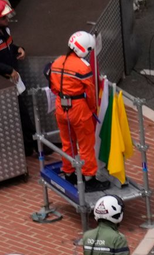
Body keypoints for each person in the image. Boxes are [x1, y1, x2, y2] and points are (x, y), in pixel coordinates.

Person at [50, 31, 107, 192]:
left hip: (60, 106)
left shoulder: (57, 62)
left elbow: (53, 86)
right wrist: (91, 109)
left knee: (67, 142)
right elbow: (90, 92)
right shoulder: (83, 67)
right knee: (86, 144)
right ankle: (89, 178)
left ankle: (68, 173)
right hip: (78, 108)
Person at [0, 0, 36, 156]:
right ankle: (31, 145)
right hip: (4, 81)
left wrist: (18, 49)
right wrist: (9, 70)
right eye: (3, 17)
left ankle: (30, 146)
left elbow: (9, 46)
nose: (7, 19)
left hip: (13, 78)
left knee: (23, 113)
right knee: (21, 115)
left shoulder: (5, 31)